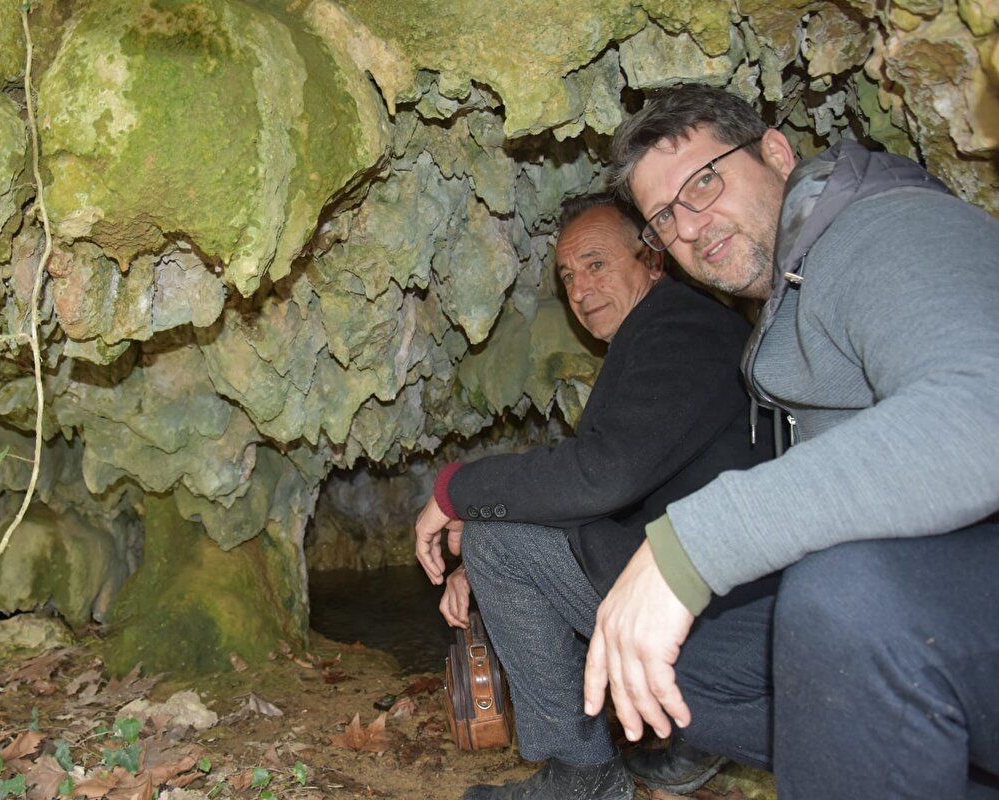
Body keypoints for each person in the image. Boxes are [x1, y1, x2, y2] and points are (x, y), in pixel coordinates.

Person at [583, 84, 999, 799]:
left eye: (704, 180)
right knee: (682, 675)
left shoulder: (888, 230)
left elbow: (981, 412)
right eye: (663, 217)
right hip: (957, 596)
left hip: (938, 591)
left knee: (845, 601)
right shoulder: (783, 309)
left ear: (776, 151)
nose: (690, 225)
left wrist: (691, 545)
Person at [414, 196, 773, 799]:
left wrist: (459, 493)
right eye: (567, 276)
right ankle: (679, 739)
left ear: (652, 258)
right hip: (714, 597)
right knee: (498, 543)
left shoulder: (680, 329)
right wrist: (481, 557)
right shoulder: (666, 332)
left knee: (498, 541)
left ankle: (582, 777)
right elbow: (615, 498)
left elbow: (603, 477)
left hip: (726, 620)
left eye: (596, 264)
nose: (579, 290)